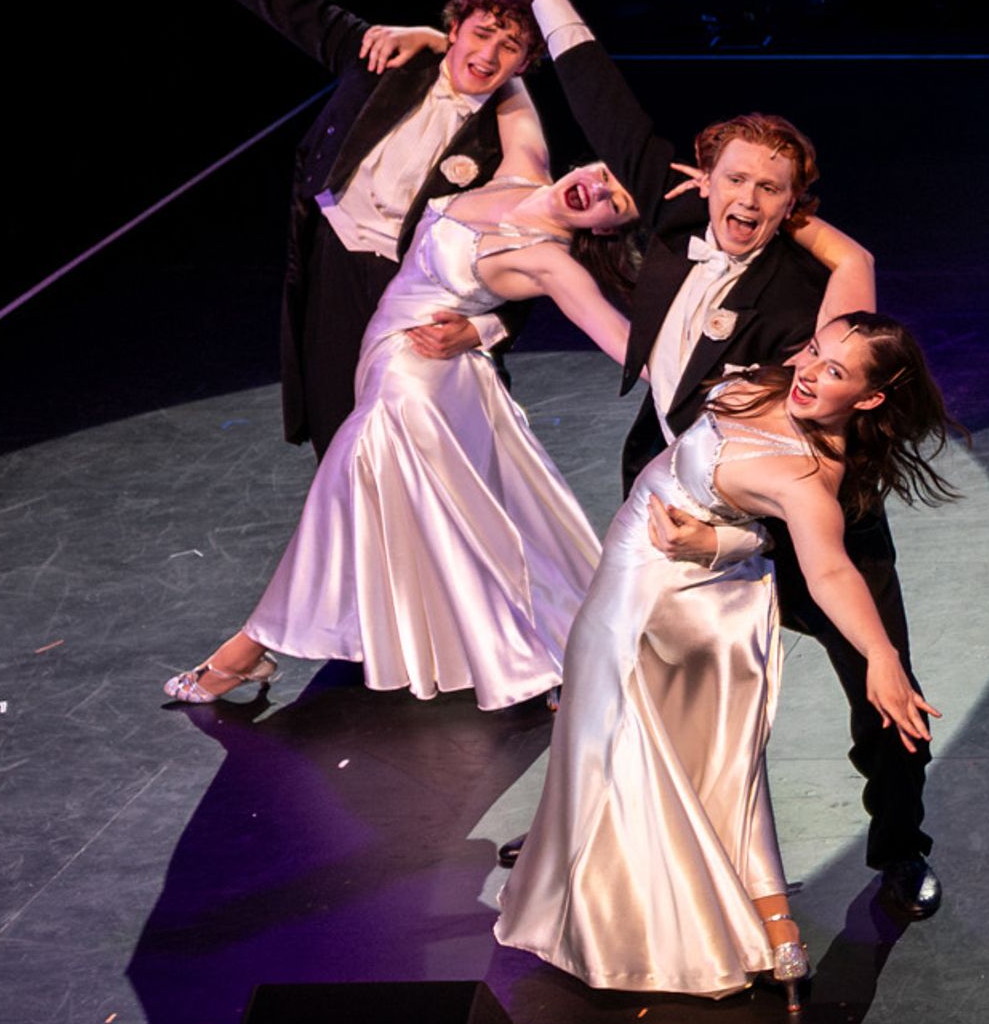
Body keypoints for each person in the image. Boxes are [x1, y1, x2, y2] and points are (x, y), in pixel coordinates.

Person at [469, 0, 944, 921]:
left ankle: (901, 846)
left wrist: (821, 239)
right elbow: (597, 97)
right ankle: (576, 827)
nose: (746, 200)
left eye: (772, 191)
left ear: (793, 207)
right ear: (706, 174)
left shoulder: (803, 301)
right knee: (623, 663)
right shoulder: (677, 205)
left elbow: (836, 336)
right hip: (676, 475)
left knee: (881, 678)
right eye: (735, 178)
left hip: (802, 505)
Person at [499, 316, 956, 1009]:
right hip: (649, 564)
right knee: (680, 751)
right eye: (813, 350)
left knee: (656, 748)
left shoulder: (808, 477)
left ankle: (640, 919)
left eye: (835, 372)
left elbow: (829, 570)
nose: (808, 370)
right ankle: (771, 930)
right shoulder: (773, 381)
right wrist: (731, 538)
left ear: (868, 399)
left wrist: (882, 656)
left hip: (683, 595)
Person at [159, 161, 645, 710]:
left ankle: (248, 649)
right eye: (605, 173)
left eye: (615, 202)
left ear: (603, 229)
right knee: (456, 514)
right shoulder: (522, 168)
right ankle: (560, 638)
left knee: (355, 487)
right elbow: (516, 80)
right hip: (389, 357)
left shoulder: (547, 260)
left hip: (420, 380)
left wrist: (696, 376)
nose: (599, 187)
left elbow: (618, 336)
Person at [108, 0, 552, 453]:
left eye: (510, 46)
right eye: (482, 32)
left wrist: (483, 329)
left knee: (426, 445)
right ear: (455, 27)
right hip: (336, 265)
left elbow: (532, 254)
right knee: (338, 431)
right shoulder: (381, 57)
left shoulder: (507, 139)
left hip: (416, 289)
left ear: (523, 65)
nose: (488, 53)